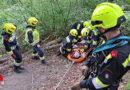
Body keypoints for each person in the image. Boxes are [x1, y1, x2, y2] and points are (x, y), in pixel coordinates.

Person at [71, 2, 130, 90]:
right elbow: (98, 52)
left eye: (97, 27)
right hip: (97, 76)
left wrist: (81, 84)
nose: (97, 30)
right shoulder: (108, 39)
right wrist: (88, 64)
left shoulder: (120, 54)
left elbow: (102, 82)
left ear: (103, 28)